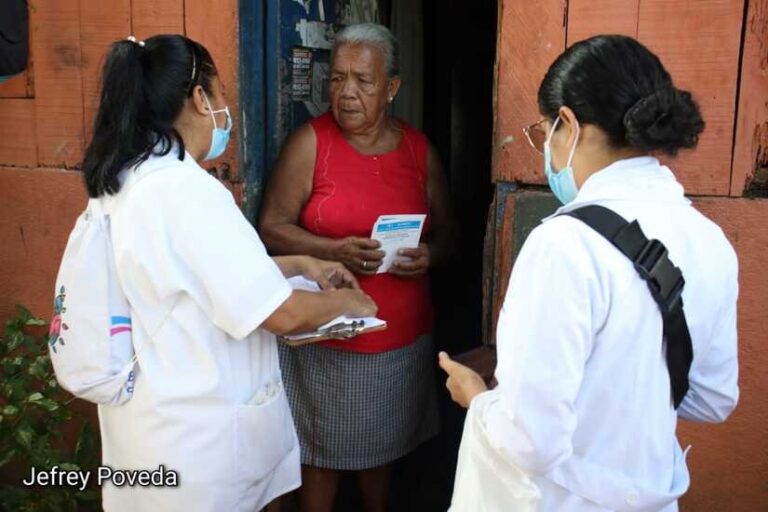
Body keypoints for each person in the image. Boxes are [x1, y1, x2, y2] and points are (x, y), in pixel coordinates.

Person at [440, 35, 738, 511]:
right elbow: (712, 398)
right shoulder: (709, 241)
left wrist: (477, 399)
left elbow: (532, 441)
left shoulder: (563, 245)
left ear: (569, 123)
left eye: (543, 132)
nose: (547, 150)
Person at [83, 34, 377, 512]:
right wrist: (348, 304)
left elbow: (196, 276)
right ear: (200, 98)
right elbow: (280, 314)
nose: (226, 108)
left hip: (150, 436)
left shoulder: (124, 179)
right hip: (202, 452)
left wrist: (301, 263)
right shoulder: (189, 192)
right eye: (220, 93)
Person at [259, 23, 454, 512]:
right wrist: (333, 249)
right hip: (325, 333)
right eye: (337, 79)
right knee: (320, 458)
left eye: (363, 81)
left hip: (397, 337)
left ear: (391, 88)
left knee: (379, 460)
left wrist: (431, 255)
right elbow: (271, 227)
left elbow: (451, 235)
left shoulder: (418, 151)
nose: (346, 93)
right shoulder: (311, 143)